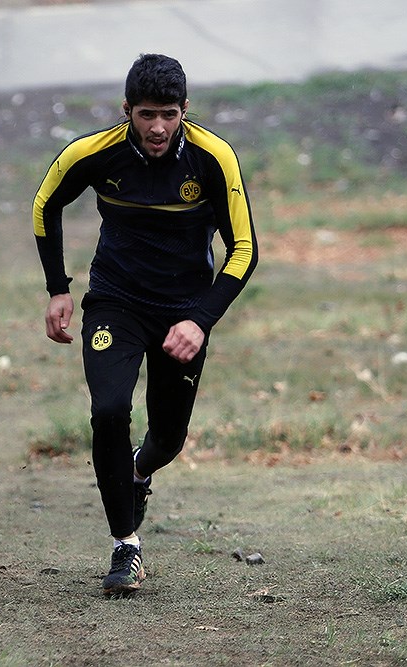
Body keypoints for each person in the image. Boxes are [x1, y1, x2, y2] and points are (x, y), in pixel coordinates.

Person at [32, 53, 258, 596]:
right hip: (116, 302)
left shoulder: (213, 157)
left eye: (169, 115)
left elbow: (245, 249)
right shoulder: (92, 153)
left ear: (185, 110)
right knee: (109, 410)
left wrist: (200, 320)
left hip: (183, 312)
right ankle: (125, 545)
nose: (158, 127)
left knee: (169, 439)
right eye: (147, 114)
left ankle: (138, 470)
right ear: (127, 110)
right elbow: (44, 205)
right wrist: (59, 287)